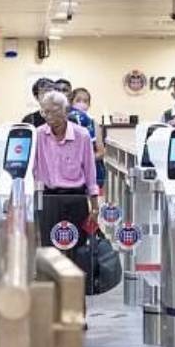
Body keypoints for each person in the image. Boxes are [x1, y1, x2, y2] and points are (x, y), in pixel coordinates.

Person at [33, 90, 100, 250]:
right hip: (49, 198)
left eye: (54, 112)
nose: (49, 117)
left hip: (76, 198)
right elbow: (33, 170)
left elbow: (90, 173)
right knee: (49, 249)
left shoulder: (82, 135)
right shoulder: (39, 134)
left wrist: (95, 207)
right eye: (45, 112)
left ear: (65, 111)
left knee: (78, 248)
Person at [70, 87, 106, 191]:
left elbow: (101, 152)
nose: (82, 103)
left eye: (85, 101)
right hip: (70, 173)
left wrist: (85, 161)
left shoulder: (93, 123)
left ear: (89, 104)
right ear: (71, 102)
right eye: (78, 100)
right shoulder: (66, 122)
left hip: (91, 171)